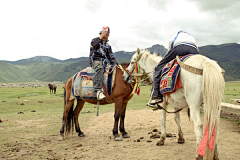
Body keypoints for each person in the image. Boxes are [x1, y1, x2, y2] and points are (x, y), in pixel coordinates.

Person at [149, 30, 200, 105]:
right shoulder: (191, 37)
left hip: (180, 48)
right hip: (194, 50)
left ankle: (156, 95)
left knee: (158, 68)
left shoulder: (176, 35)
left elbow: (171, 47)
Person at [89, 26, 118, 100]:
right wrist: (101, 37)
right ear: (101, 33)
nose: (106, 37)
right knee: (99, 69)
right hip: (96, 61)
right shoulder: (94, 41)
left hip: (105, 62)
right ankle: (98, 91)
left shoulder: (108, 46)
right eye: (105, 35)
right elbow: (94, 46)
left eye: (107, 35)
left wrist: (116, 65)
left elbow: (111, 57)